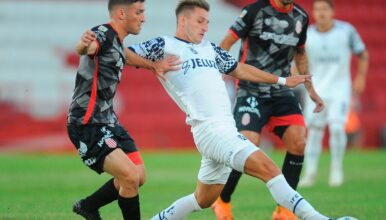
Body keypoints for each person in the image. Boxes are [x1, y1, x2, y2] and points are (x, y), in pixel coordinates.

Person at [129, 1, 355, 220]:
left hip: (223, 129)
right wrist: (152, 65)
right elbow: (122, 51)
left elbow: (241, 69)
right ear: (183, 19)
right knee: (270, 169)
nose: (205, 27)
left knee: (203, 199)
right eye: (200, 21)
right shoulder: (164, 45)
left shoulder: (210, 49)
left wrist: (283, 80)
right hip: (211, 130)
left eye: (207, 21)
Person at [211, 0, 325, 219]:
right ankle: (222, 199)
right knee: (246, 144)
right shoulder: (254, 11)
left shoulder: (301, 16)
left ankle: (285, 209)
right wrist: (214, 76)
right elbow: (225, 43)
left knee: (298, 141)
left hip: (281, 91)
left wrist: (311, 89)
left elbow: (300, 54)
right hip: (250, 88)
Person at [67, 0, 180, 219]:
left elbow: (125, 55)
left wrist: (154, 66)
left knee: (138, 175)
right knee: (129, 177)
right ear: (121, 13)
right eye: (139, 12)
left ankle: (88, 206)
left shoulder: (116, 41)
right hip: (86, 123)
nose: (143, 18)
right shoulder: (101, 34)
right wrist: (82, 44)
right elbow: (87, 48)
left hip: (108, 121)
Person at [299, 0, 369, 188]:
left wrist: (360, 77)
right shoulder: (307, 34)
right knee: (313, 132)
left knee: (337, 128)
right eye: (317, 9)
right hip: (316, 90)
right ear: (313, 12)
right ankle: (310, 173)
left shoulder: (346, 31)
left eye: (325, 9)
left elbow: (363, 54)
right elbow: (298, 58)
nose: (321, 13)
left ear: (332, 11)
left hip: (340, 89)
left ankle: (336, 169)